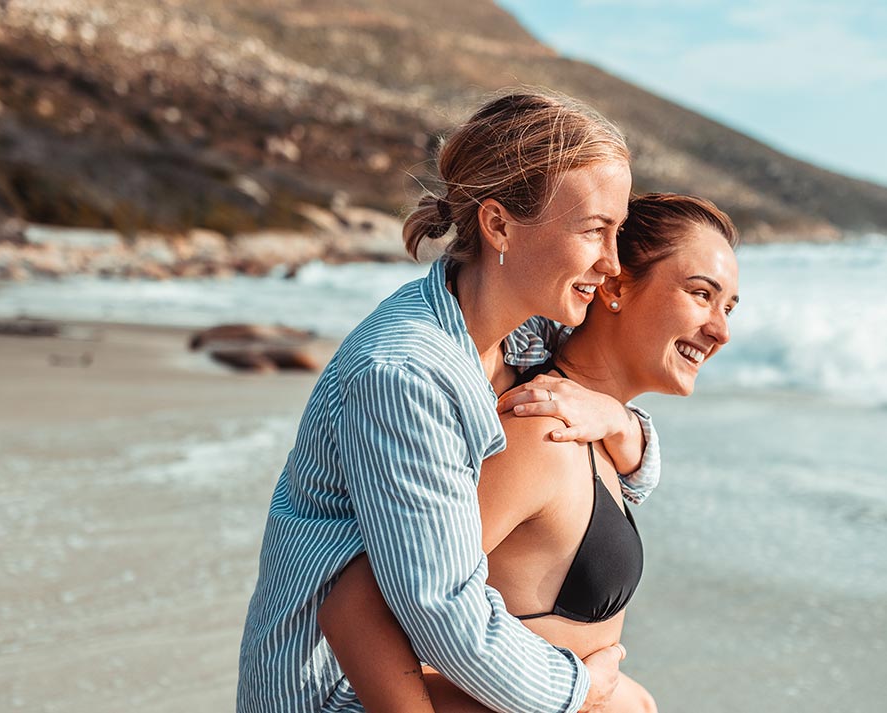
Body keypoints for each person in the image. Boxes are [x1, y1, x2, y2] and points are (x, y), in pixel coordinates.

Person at [237, 90, 664, 713]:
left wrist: (626, 427)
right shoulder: (405, 374)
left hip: (424, 669)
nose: (610, 261)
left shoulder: (524, 336)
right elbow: (442, 608)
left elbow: (597, 481)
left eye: (618, 231)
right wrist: (580, 691)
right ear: (499, 225)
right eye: (595, 230)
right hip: (336, 692)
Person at [316, 194, 742, 712]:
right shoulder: (540, 431)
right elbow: (359, 602)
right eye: (701, 295)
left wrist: (624, 423)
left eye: (728, 308)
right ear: (614, 285)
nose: (721, 330)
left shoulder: (590, 426)